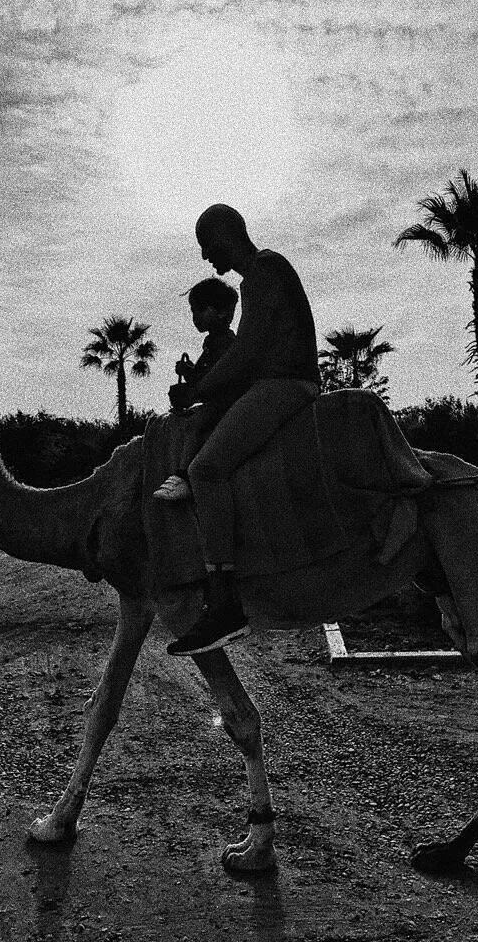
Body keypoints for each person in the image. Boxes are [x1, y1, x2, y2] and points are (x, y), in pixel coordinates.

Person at [166, 204, 321, 657]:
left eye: (205, 245)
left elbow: (246, 354)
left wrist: (197, 390)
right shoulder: (262, 273)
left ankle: (224, 600)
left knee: (207, 469)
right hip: (276, 381)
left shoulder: (263, 272)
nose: (204, 257)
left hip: (285, 383)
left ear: (225, 235)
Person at [153, 277, 238, 502]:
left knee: (194, 426)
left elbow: (215, 378)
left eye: (199, 311)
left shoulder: (223, 344)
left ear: (219, 313)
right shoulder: (215, 342)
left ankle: (183, 476)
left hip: (224, 403)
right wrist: (190, 371)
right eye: (193, 311)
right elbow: (206, 375)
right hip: (219, 400)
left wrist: (191, 380)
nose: (195, 317)